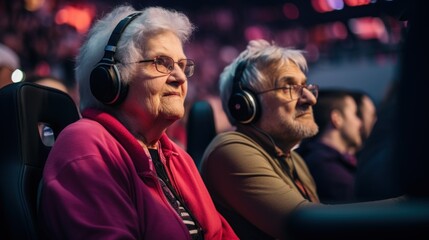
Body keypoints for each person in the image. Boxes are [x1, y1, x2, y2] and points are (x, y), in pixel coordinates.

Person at [39, 5, 238, 240]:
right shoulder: (85, 144)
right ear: (112, 78)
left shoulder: (177, 157)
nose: (180, 78)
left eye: (183, 66)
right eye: (162, 63)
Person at [199, 39, 321, 239]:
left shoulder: (294, 160)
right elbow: (305, 227)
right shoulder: (229, 149)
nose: (310, 98)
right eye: (289, 87)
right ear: (246, 104)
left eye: (305, 85)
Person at [296, 89, 362, 203]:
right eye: (355, 114)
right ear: (337, 119)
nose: (360, 123)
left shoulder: (313, 158)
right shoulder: (332, 173)